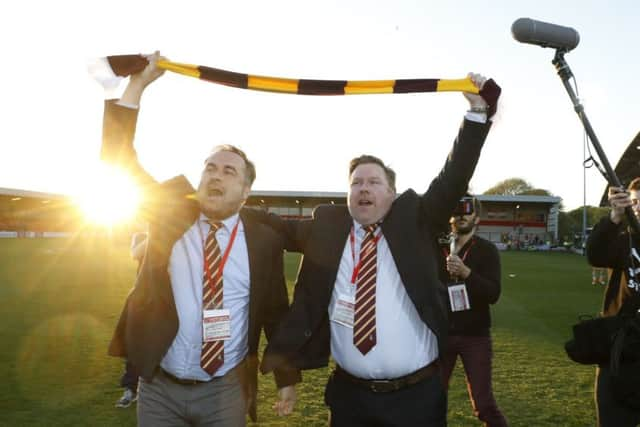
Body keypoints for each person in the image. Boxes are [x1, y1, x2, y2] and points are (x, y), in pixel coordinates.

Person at [252, 73, 501, 426]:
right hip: (350, 399)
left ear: (392, 195)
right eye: (356, 183)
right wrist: (211, 204)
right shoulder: (328, 229)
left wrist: (476, 113)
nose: (363, 189)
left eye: (373, 182)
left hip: (416, 398)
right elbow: (272, 224)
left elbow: (453, 176)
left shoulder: (417, 221)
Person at [104, 52, 299, 426]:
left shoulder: (263, 243)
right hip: (160, 388)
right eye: (210, 167)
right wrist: (138, 85)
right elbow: (117, 159)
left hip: (224, 390)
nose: (215, 176)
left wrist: (285, 378)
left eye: (229, 171)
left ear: (245, 191)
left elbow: (275, 314)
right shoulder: (170, 216)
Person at [439, 196, 508, 426]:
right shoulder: (437, 246)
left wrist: (467, 273)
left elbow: (493, 294)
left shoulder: (487, 250)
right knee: (431, 400)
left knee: (484, 405)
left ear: (476, 218)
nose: (461, 216)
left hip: (475, 336)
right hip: (440, 335)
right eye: (457, 211)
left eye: (467, 212)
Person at [586, 180, 640, 427]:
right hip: (620, 349)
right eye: (634, 202)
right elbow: (594, 254)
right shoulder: (621, 239)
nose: (637, 208)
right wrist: (614, 216)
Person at [114, 231, 148, 408]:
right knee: (134, 345)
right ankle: (130, 389)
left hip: (173, 299)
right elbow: (135, 253)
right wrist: (158, 234)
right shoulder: (142, 235)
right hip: (142, 298)